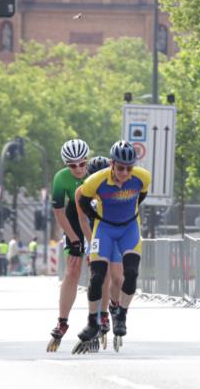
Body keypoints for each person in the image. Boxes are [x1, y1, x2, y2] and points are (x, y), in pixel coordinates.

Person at [72, 141, 150, 351]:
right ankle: (92, 322)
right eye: (121, 167)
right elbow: (83, 205)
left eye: (129, 168)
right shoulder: (94, 182)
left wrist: (126, 212)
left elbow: (141, 196)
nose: (125, 172)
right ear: (112, 164)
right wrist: (96, 219)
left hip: (129, 228)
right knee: (97, 276)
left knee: (131, 273)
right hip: (104, 229)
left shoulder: (142, 177)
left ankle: (121, 315)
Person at [46, 138, 91, 351]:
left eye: (82, 164)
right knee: (72, 271)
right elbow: (58, 212)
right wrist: (73, 238)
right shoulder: (60, 178)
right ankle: (62, 322)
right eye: (72, 165)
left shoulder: (96, 173)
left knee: (100, 270)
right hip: (73, 221)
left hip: (96, 221)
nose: (78, 169)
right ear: (66, 165)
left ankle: (102, 316)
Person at [83, 155, 124, 343]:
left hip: (115, 237)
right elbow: (83, 221)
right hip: (95, 238)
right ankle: (100, 315)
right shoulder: (87, 193)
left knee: (117, 278)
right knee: (99, 277)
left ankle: (114, 307)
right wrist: (90, 244)